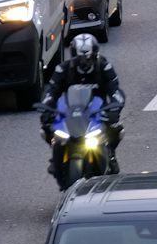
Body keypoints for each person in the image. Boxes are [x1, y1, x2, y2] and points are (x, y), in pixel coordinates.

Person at [41, 34, 125, 176]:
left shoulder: (104, 67)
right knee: (46, 129)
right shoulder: (63, 69)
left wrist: (114, 110)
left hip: (98, 113)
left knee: (117, 129)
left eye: (88, 58)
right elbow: (51, 93)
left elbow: (116, 91)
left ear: (95, 55)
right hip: (72, 111)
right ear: (74, 55)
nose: (85, 62)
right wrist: (47, 110)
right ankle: (56, 158)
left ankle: (110, 155)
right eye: (80, 58)